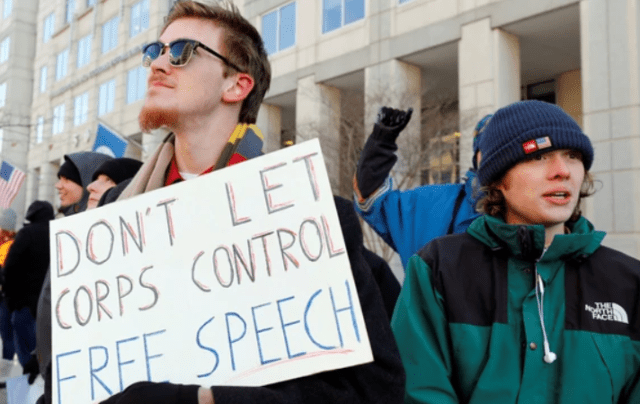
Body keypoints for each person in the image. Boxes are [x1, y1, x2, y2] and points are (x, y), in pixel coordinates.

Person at [51, 2, 403, 404]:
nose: (158, 65)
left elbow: (374, 392)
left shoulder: (312, 219)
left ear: (237, 86)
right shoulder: (110, 221)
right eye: (154, 52)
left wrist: (205, 399)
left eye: (181, 51)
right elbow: (69, 373)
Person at [391, 100, 640, 403]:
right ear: (498, 181)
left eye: (573, 156)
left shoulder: (628, 282)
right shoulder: (438, 269)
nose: (562, 171)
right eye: (539, 156)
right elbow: (419, 390)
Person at [353, 108, 492, 268]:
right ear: (477, 155)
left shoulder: (525, 209)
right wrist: (380, 143)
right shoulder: (433, 205)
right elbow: (372, 197)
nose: (497, 154)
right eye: (488, 146)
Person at [2, 201, 54, 367]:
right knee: (45, 356)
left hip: (24, 305)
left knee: (25, 355)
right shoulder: (57, 233)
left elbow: (10, 268)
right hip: (50, 306)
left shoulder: (27, 234)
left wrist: (10, 300)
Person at [0, 208, 17, 362]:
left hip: (6, 295)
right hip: (8, 295)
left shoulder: (8, 245)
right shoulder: (12, 242)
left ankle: (6, 365)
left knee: (7, 334)